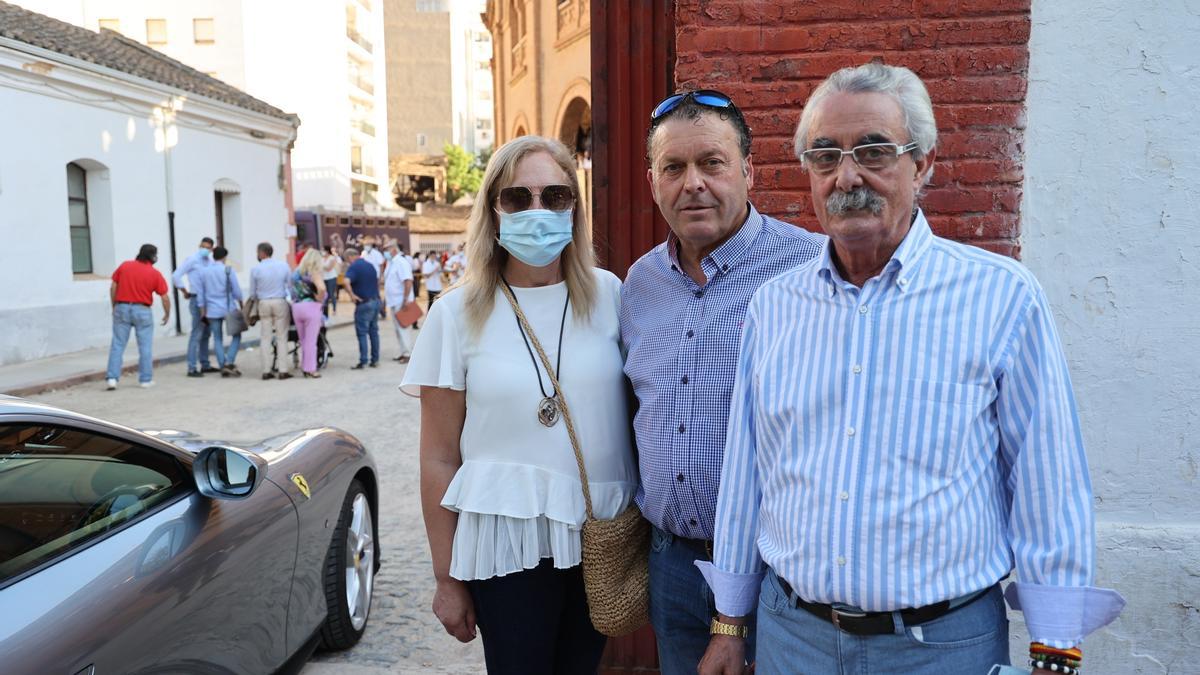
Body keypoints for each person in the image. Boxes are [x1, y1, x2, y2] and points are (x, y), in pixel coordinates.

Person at [697, 63, 1125, 675]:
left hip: (942, 647)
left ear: (922, 163)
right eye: (825, 157)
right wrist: (730, 622)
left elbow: (1046, 480)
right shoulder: (775, 306)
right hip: (794, 640)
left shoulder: (1000, 297)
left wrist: (1054, 651)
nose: (848, 176)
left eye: (873, 152)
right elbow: (748, 473)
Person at [400, 136, 636, 675]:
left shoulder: (610, 296)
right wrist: (446, 578)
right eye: (518, 198)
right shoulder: (455, 314)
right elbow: (438, 457)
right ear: (493, 209)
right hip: (507, 547)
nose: (538, 211)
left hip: (599, 537)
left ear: (575, 209)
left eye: (555, 197)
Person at [619, 89, 824, 674]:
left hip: (776, 570)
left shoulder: (807, 269)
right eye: (673, 168)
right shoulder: (640, 284)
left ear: (748, 171)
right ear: (652, 179)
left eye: (712, 163)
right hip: (672, 566)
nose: (693, 184)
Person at [105, 244, 171, 390]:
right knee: (145, 346)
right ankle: (145, 379)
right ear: (152, 256)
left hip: (122, 307)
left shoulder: (125, 266)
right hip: (143, 310)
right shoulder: (154, 273)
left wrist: (114, 305)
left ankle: (112, 378)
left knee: (118, 344)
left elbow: (113, 286)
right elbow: (164, 297)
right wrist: (167, 313)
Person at [195, 246, 245, 377]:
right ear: (224, 257)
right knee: (237, 335)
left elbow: (201, 294)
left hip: (212, 309)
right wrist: (241, 304)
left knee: (217, 338)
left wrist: (202, 311)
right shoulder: (228, 270)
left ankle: (222, 364)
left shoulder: (204, 272)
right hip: (228, 307)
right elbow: (236, 291)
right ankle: (229, 361)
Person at [172, 236, 216, 377]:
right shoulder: (192, 259)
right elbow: (176, 275)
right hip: (196, 298)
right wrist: (184, 291)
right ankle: (191, 367)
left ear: (211, 249)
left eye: (207, 247)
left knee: (206, 333)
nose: (204, 249)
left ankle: (205, 364)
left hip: (209, 300)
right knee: (196, 333)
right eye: (202, 246)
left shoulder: (210, 261)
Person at [250, 241, 294, 380]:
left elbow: (252, 293)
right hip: (280, 301)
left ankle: (266, 370)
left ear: (261, 253)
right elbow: (290, 285)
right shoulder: (283, 266)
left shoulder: (255, 269)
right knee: (282, 336)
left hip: (263, 303)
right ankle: (283, 370)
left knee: (265, 337)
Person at [340, 247, 381, 369]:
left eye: (347, 260)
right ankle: (375, 359)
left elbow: (346, 281)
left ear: (350, 257)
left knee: (362, 333)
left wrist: (352, 295)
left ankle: (363, 361)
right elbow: (377, 282)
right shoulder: (370, 265)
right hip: (375, 301)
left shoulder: (354, 267)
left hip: (364, 303)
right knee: (374, 332)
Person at [291, 248, 328, 378]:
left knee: (303, 340)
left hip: (297, 307)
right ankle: (311, 369)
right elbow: (322, 288)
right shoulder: (314, 272)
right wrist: (320, 298)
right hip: (311, 307)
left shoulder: (296, 273)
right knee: (311, 341)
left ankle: (305, 366)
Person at [383, 243, 416, 363]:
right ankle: (403, 352)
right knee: (398, 329)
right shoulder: (392, 263)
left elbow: (408, 281)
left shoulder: (401, 262)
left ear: (393, 250)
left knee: (404, 328)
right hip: (394, 301)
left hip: (401, 301)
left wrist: (405, 299)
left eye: (386, 249)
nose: (384, 252)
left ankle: (408, 354)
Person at [321, 245, 342, 317]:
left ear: (327, 251)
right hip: (324, 278)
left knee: (331, 294)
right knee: (325, 295)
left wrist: (321, 265)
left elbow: (329, 268)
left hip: (331, 278)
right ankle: (325, 311)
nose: (322, 252)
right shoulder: (322, 258)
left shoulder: (332, 258)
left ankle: (334, 309)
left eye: (323, 250)